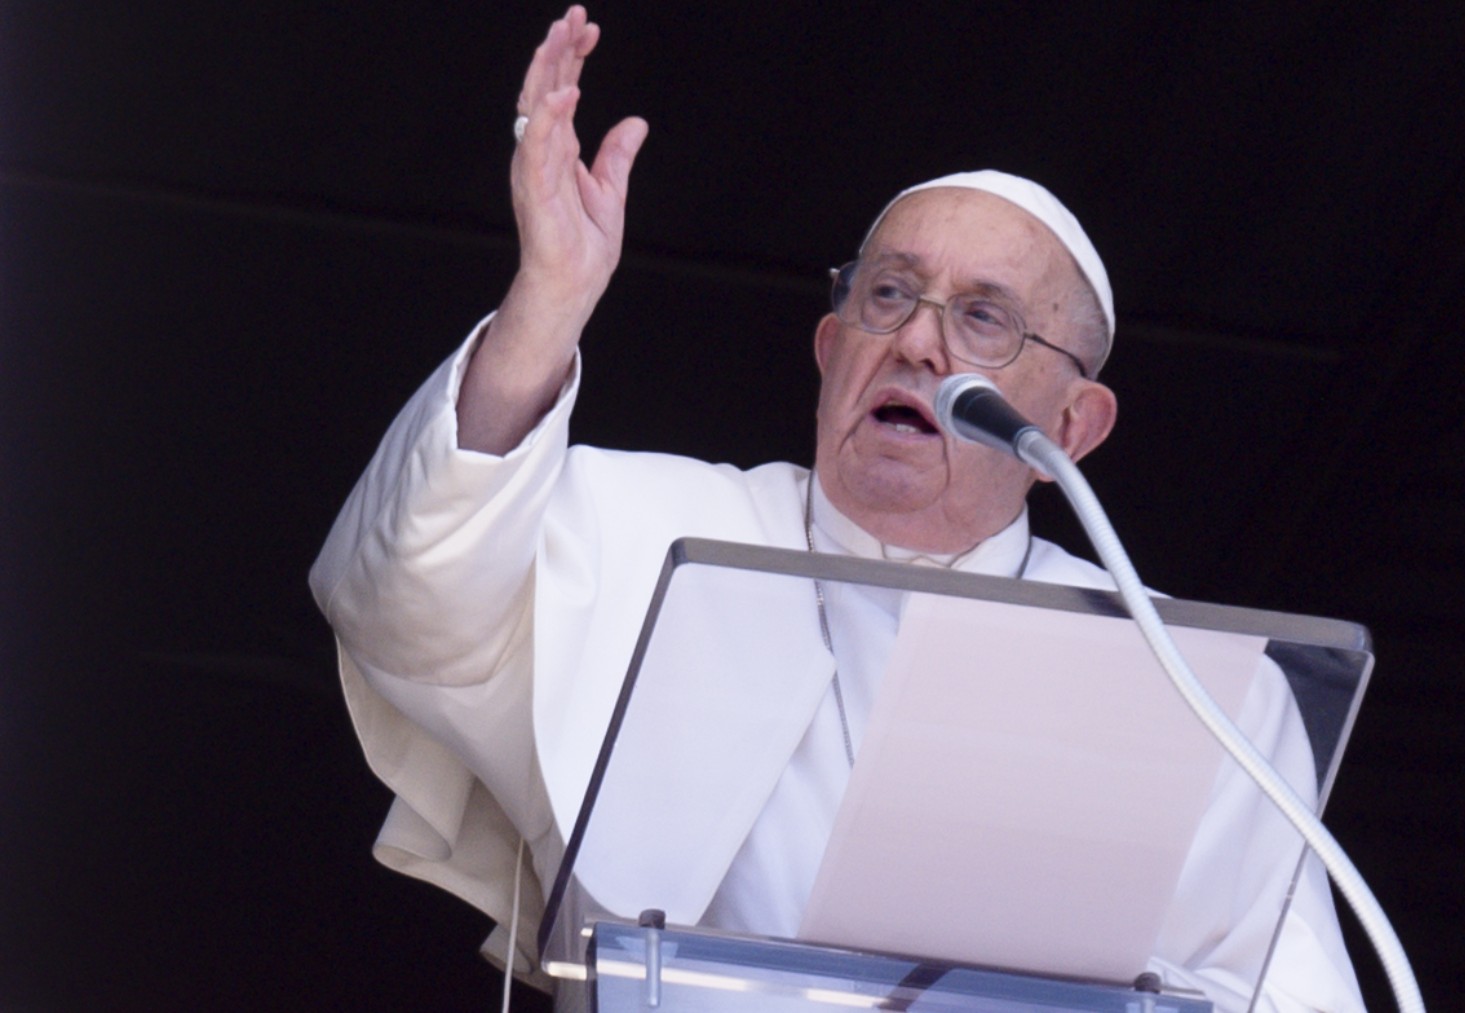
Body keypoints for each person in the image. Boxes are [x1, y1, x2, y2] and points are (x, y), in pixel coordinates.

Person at [310, 7, 1365, 1011]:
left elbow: (1291, 987)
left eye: (986, 317)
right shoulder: (648, 527)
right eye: (889, 294)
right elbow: (405, 589)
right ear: (831, 350)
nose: (917, 341)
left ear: (1076, 427)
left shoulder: (1185, 679)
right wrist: (549, 299)